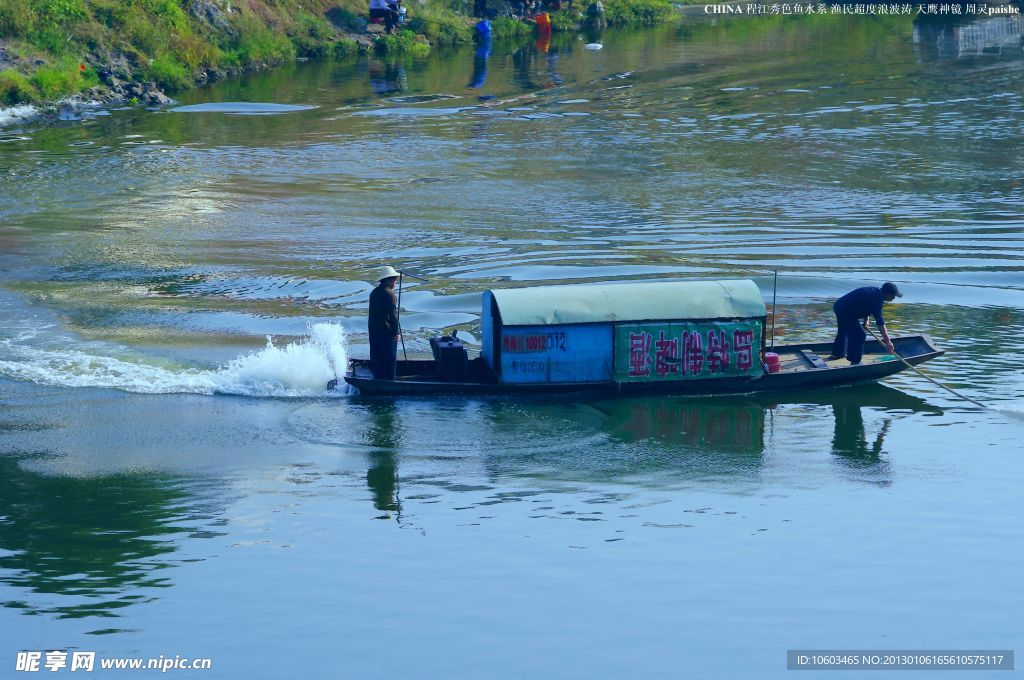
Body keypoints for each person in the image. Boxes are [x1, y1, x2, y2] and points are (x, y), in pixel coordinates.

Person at [828, 282, 902, 365]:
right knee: (860, 335)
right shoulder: (877, 301)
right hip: (845, 310)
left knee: (843, 331)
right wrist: (888, 342)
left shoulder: (875, 292)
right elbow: (880, 323)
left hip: (839, 306)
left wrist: (866, 320)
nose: (894, 298)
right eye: (893, 296)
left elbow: (865, 305)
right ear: (887, 294)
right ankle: (855, 361)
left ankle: (837, 354)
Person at [369, 266, 401, 380]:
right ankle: (389, 382)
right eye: (394, 280)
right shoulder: (390, 294)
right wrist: (396, 333)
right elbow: (393, 316)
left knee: (377, 359)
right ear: (388, 280)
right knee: (389, 360)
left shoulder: (374, 292)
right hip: (386, 335)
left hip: (373, 333)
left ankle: (377, 380)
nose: (396, 282)